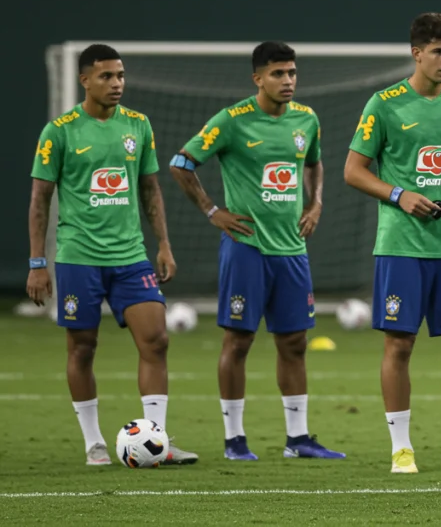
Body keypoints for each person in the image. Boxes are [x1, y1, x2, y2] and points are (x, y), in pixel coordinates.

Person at [345, 12, 441, 474]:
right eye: (438, 51)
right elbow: (353, 170)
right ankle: (401, 448)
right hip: (401, 246)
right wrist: (400, 195)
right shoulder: (385, 104)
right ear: (416, 53)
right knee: (400, 343)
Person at [171, 41, 343, 461]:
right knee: (239, 341)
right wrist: (213, 211)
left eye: (292, 73)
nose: (288, 81)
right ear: (258, 78)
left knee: (295, 343)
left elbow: (314, 162)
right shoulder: (232, 121)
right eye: (278, 74)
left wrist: (315, 201)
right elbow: (181, 162)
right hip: (246, 247)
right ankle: (234, 441)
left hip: (291, 250)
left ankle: (298, 439)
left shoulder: (307, 119)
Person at [27, 43, 197, 466]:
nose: (117, 84)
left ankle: (157, 442)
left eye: (120, 76)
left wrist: (163, 244)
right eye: (106, 76)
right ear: (84, 80)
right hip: (79, 256)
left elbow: (150, 188)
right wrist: (36, 263)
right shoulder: (60, 131)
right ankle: (94, 443)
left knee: (156, 340)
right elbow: (40, 200)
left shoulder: (138, 126)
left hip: (130, 256)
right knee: (83, 347)